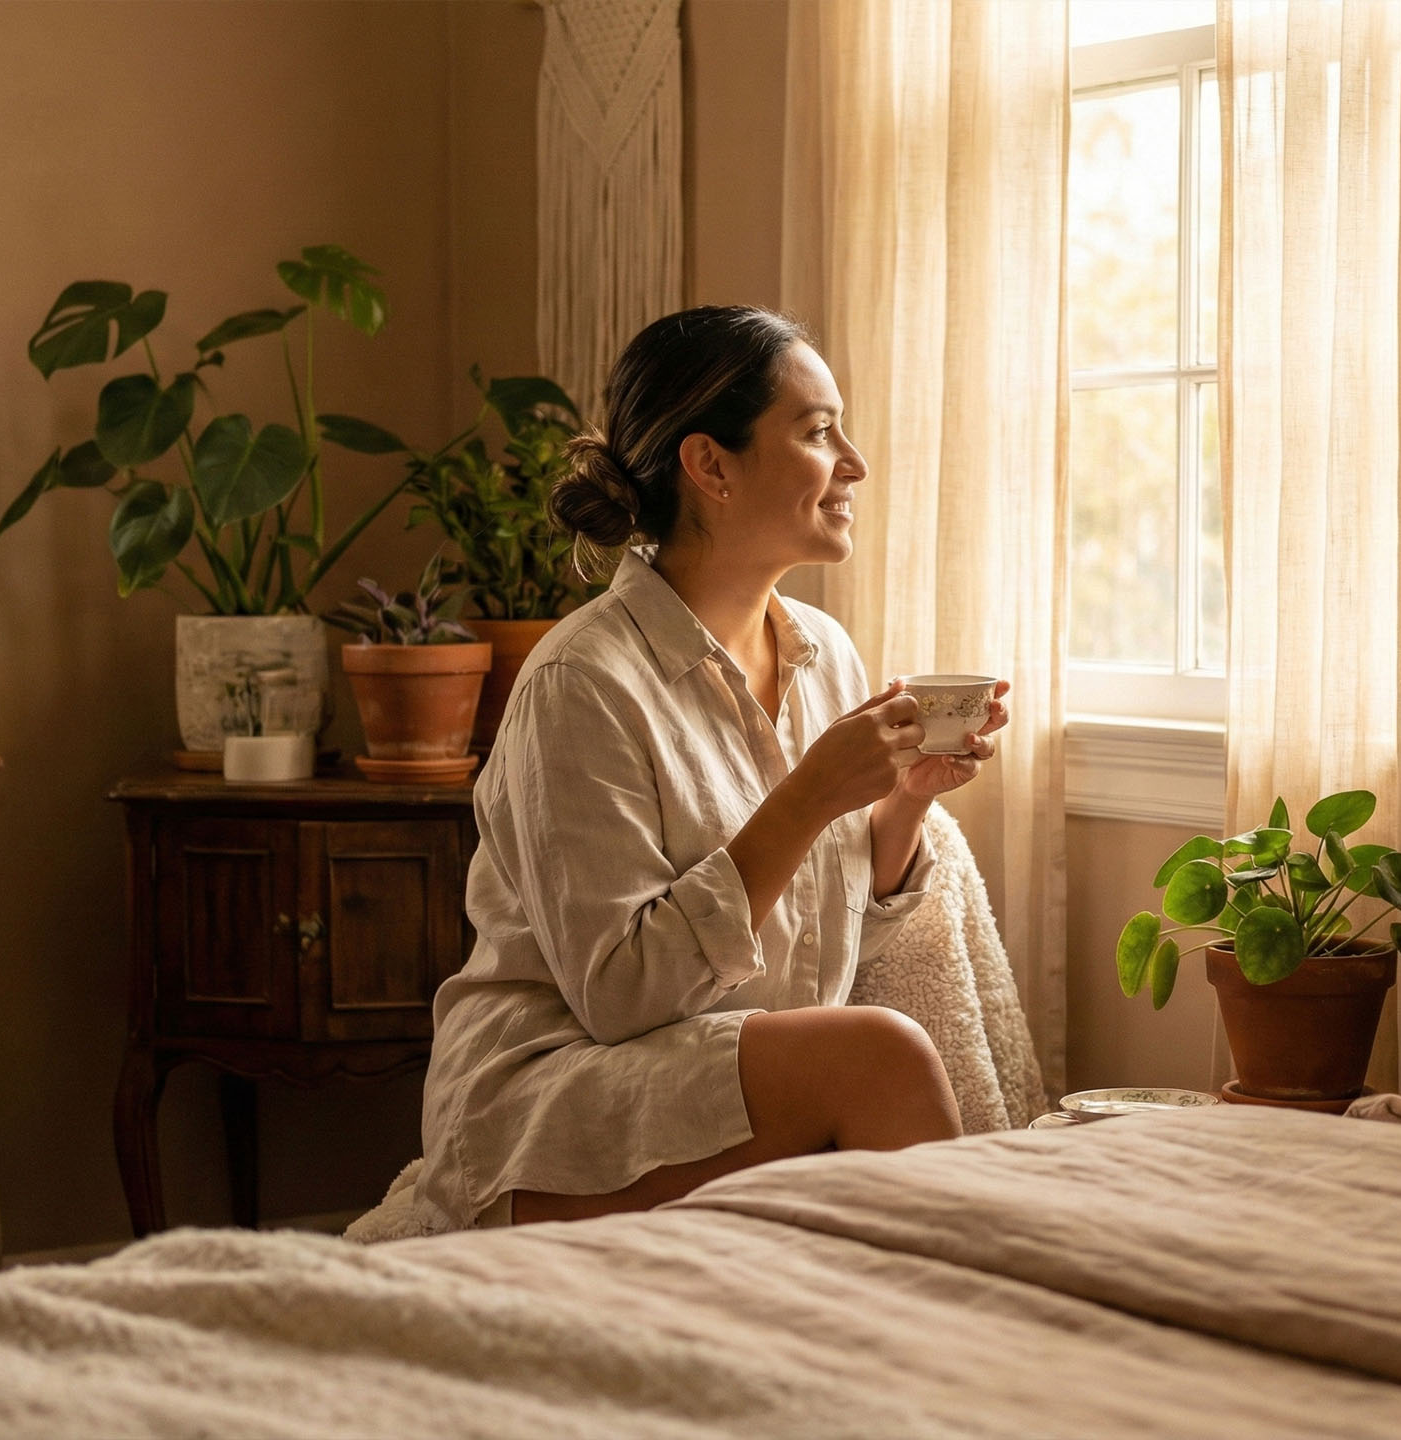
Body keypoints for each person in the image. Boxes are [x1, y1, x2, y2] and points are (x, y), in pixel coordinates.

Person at [403, 305, 1009, 1233]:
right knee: (879, 1054)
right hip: (554, 1090)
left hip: (730, 1075)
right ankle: (963, 1349)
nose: (854, 462)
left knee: (867, 1053)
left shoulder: (824, 654)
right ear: (711, 465)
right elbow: (621, 997)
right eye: (816, 432)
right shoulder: (580, 681)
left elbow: (814, 953)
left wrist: (900, 810)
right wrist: (807, 798)